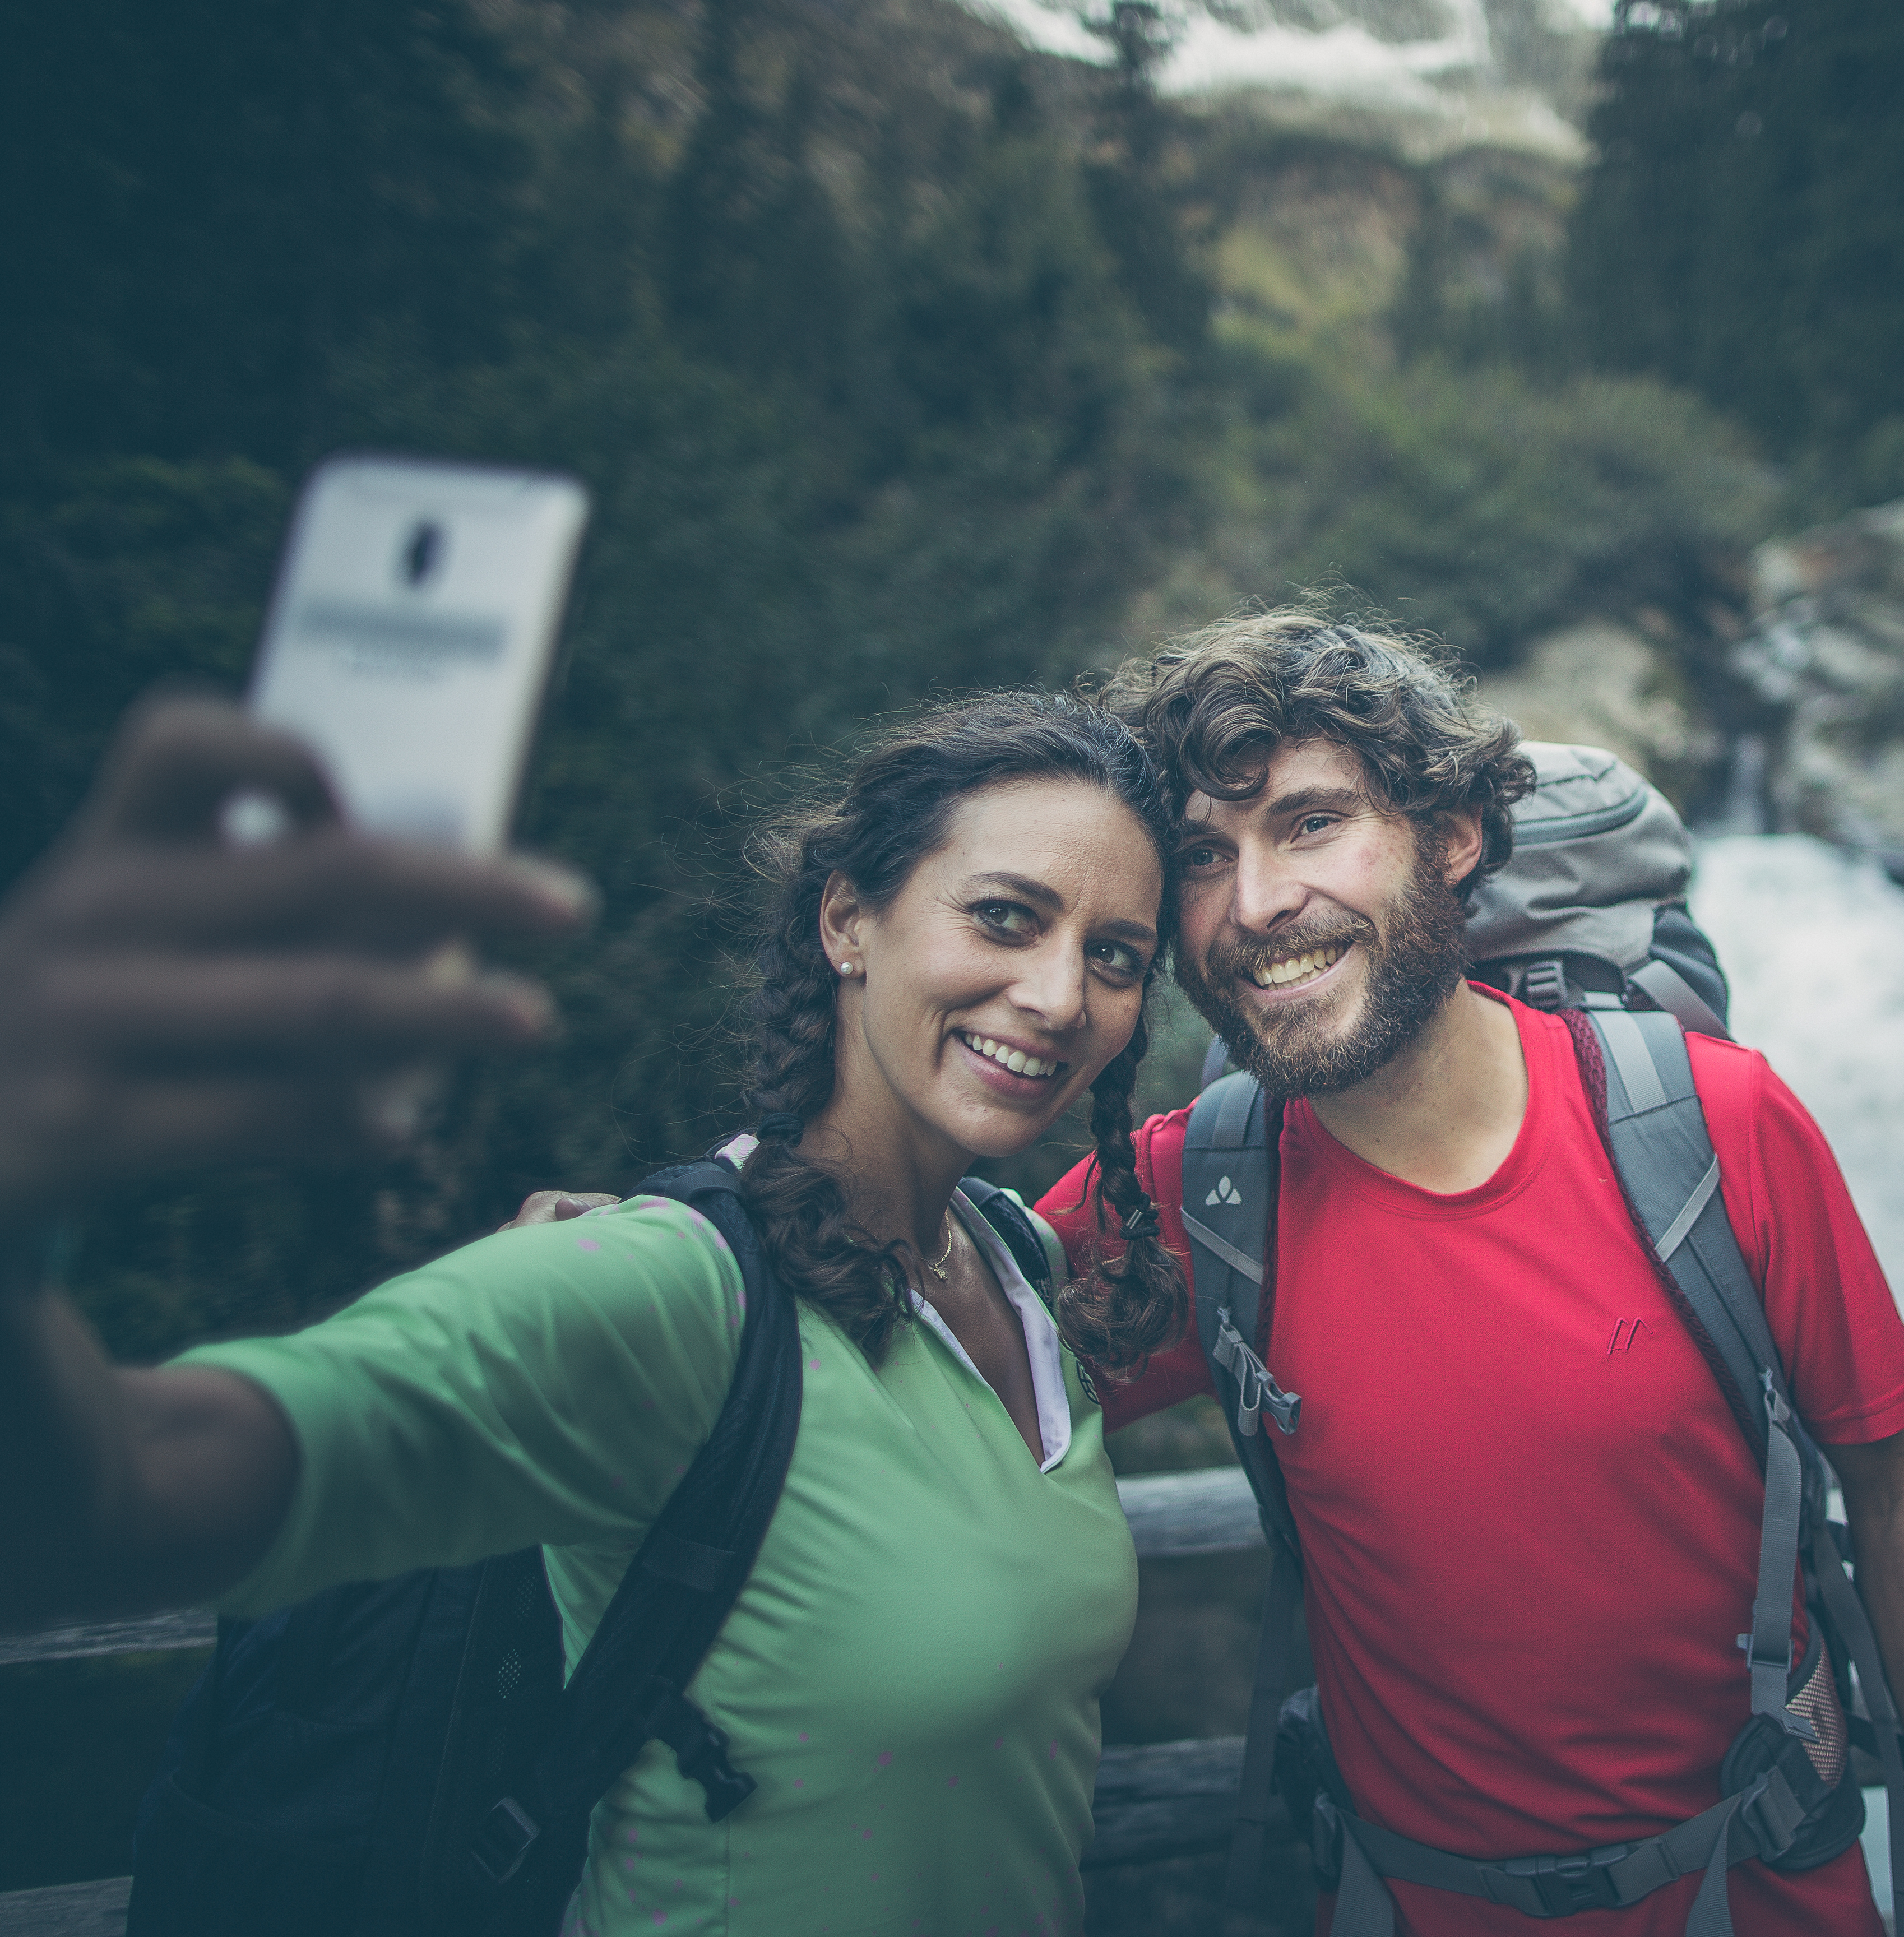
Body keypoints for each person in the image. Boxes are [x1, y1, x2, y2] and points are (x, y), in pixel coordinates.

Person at [1, 690, 1189, 1936]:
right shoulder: (669, 1296)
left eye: (1116, 956)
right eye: (1004, 916)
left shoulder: (1015, 1262)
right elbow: (117, 1495)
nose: (1061, 996)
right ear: (849, 917)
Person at [1047, 613, 1904, 1936]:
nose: (1258, 904)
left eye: (1312, 824)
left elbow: (1901, 1488)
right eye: (1205, 860)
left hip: (1761, 1891)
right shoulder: (1196, 1196)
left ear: (1451, 833)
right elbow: (917, 1380)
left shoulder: (1715, 1128)